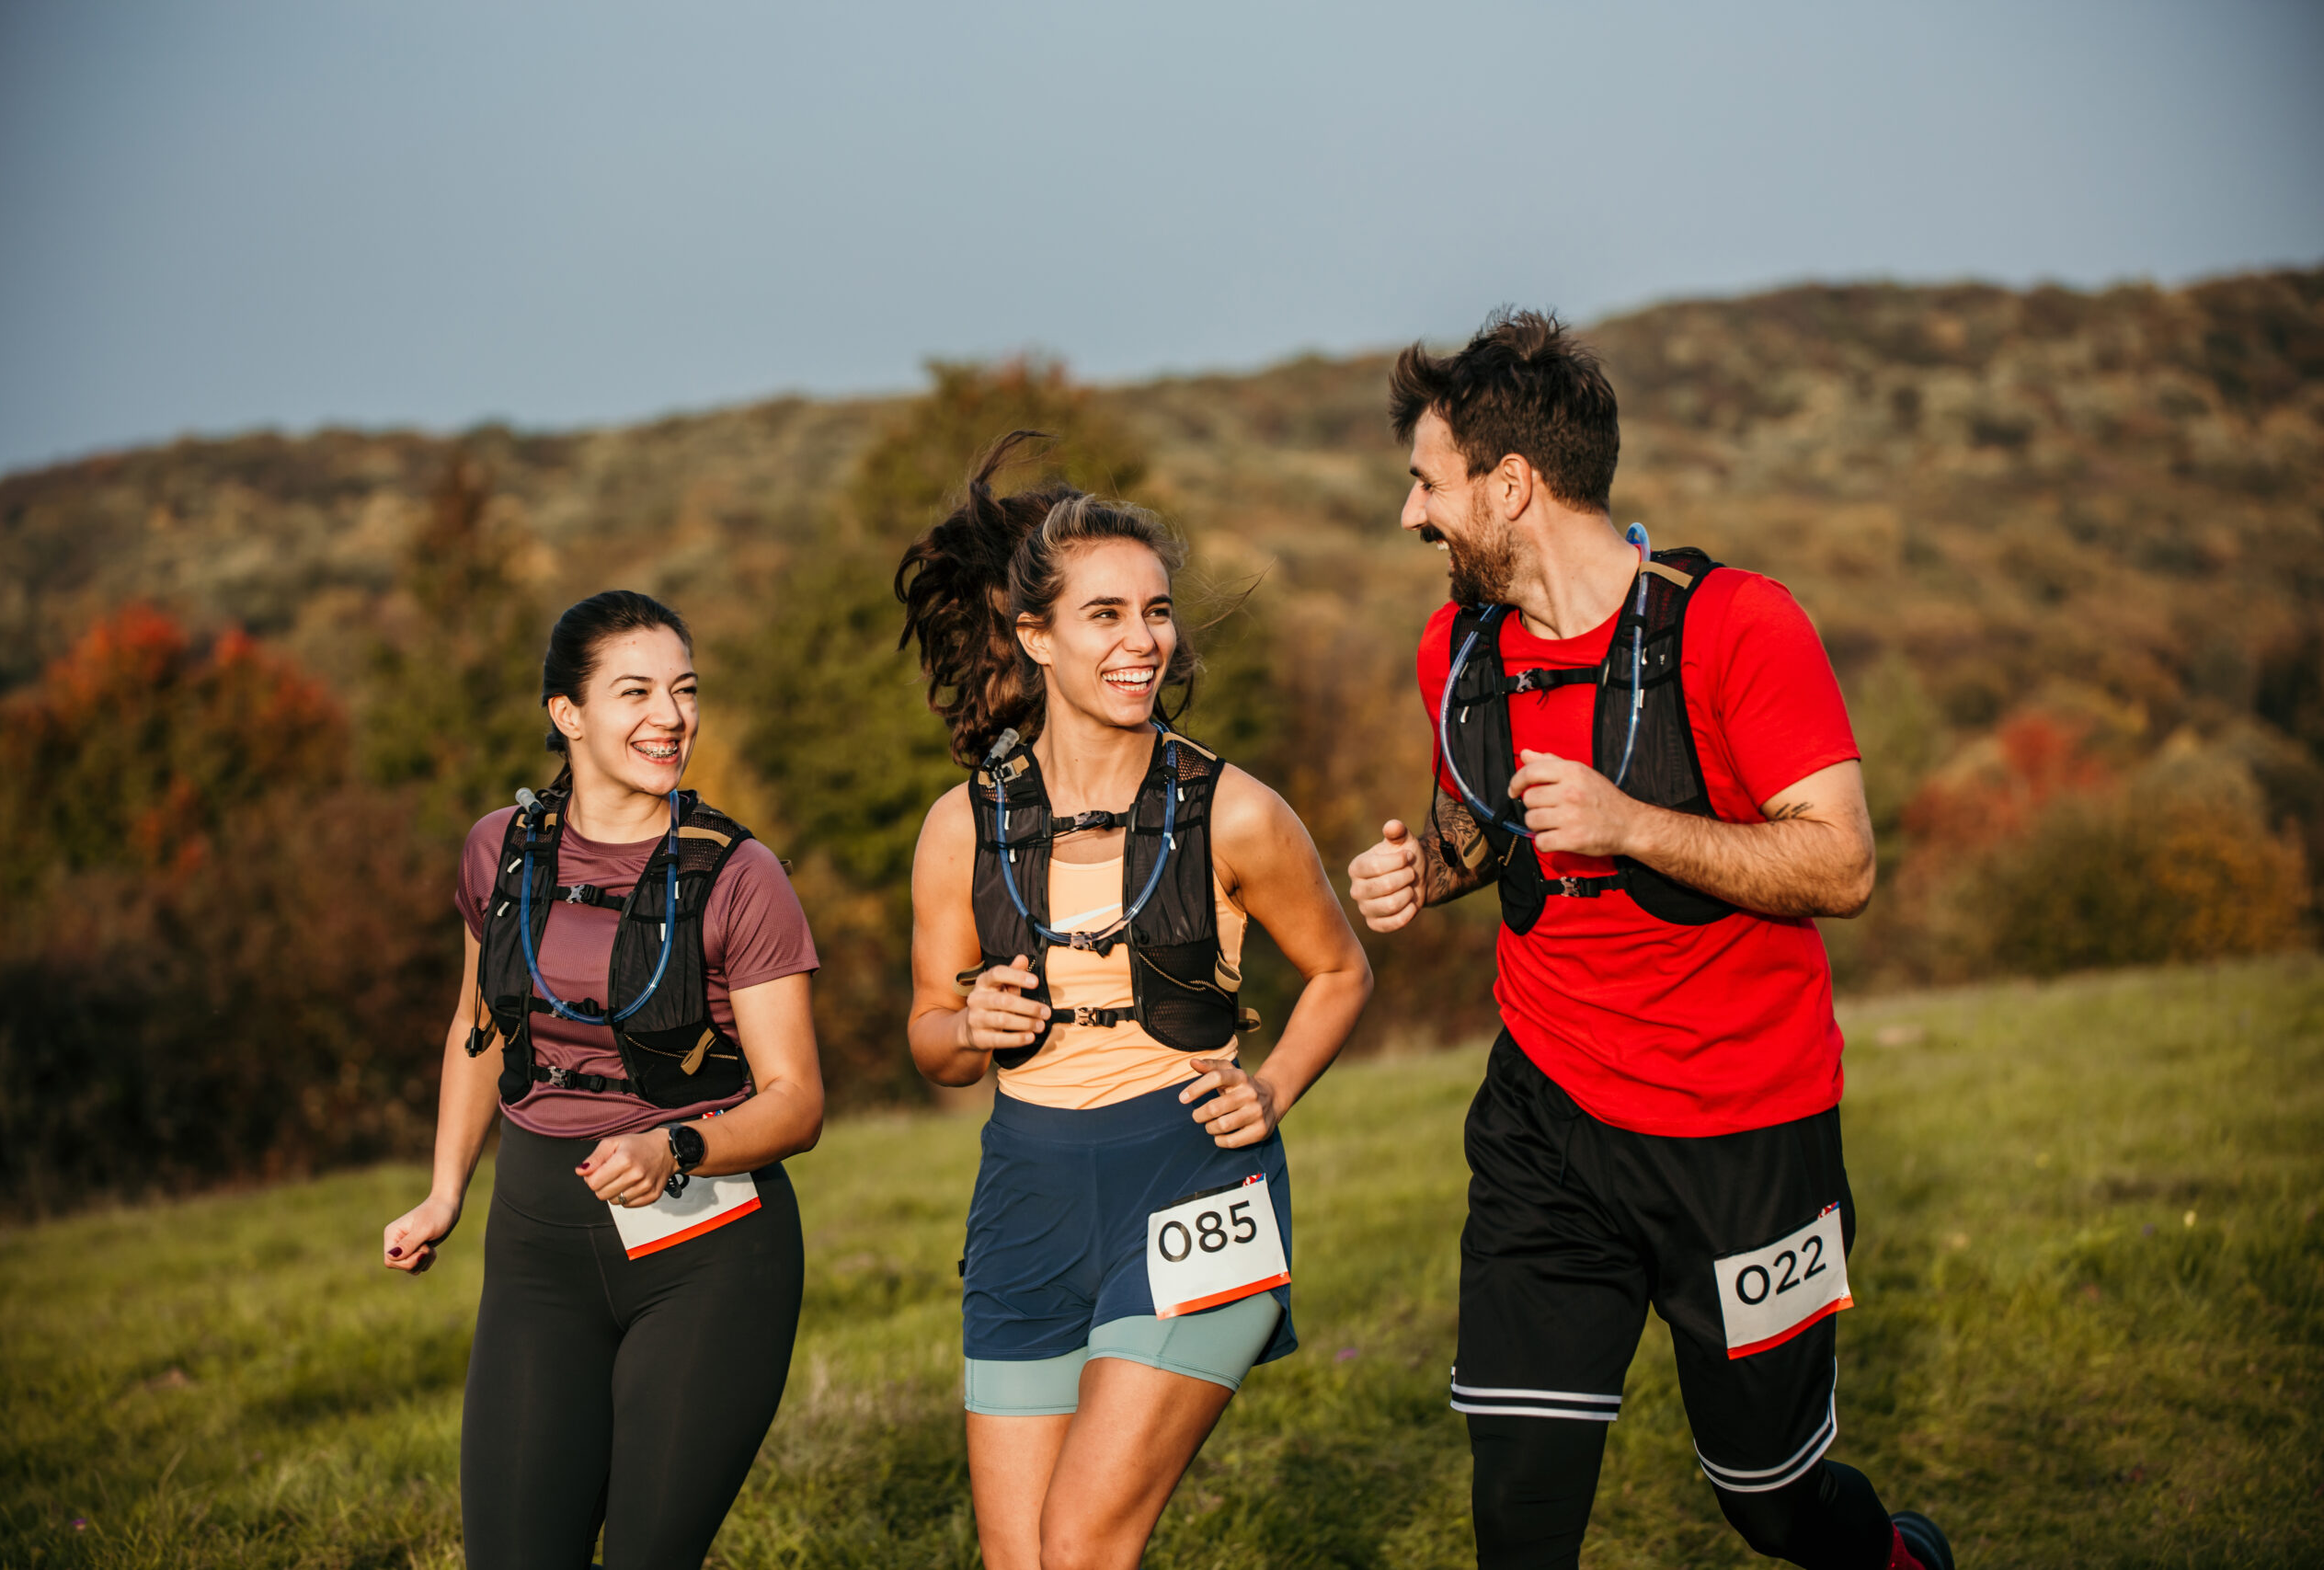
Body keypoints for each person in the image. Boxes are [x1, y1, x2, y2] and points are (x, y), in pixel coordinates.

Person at [1345, 313, 1956, 1570]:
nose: (1412, 515)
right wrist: (1426, 869)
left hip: (1749, 1133)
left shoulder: (1737, 624)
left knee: (1769, 1497)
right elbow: (1485, 816)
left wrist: (1634, 823)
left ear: (1511, 486)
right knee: (1519, 1509)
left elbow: (1840, 859)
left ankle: (1898, 1558)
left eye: (1426, 481)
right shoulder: (1459, 644)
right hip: (1546, 1119)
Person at [899, 436, 1374, 1570]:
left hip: (1190, 1179)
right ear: (1036, 638)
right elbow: (928, 1035)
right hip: (1026, 1200)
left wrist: (1272, 1087)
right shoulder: (960, 827)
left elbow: (1341, 970)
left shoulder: (1237, 812)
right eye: (1105, 615)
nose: (1142, 641)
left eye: (1155, 612)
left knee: (1082, 1545)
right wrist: (967, 1029)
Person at [381, 590, 825, 1570]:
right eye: (635, 692)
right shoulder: (501, 849)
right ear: (567, 715)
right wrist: (445, 1191)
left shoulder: (742, 876)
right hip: (536, 1249)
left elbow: (796, 1101)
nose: (670, 717)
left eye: (685, 690)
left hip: (710, 1254)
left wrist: (675, 1144)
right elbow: (478, 1025)